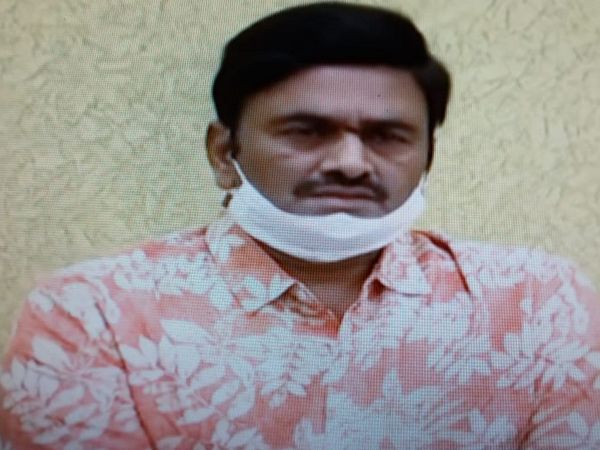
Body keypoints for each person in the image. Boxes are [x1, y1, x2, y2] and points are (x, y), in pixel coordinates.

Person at [1, 2, 599, 449]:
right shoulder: (93, 314)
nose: (350, 162)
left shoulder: (537, 302)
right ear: (223, 152)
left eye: (387, 136)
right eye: (306, 131)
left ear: (428, 157)